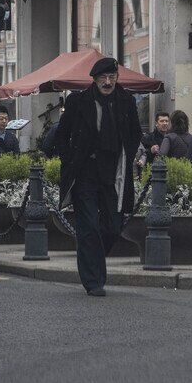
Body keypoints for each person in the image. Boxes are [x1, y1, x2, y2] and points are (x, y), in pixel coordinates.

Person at [55, 57, 142, 297]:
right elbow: (60, 135)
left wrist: (128, 155)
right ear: (93, 79)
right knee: (89, 226)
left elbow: (135, 133)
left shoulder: (126, 101)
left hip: (114, 172)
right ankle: (94, 281)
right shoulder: (78, 101)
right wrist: (69, 158)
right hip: (85, 171)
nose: (107, 82)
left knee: (113, 226)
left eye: (111, 77)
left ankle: (91, 256)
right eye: (103, 78)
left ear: (116, 78)